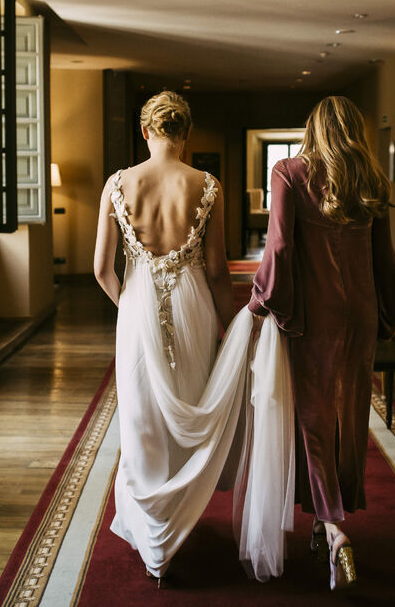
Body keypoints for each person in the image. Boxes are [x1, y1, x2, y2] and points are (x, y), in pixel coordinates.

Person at [93, 92, 294, 585]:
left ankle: (155, 545)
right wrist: (228, 330)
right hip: (194, 310)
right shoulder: (207, 186)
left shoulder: (118, 185)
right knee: (192, 409)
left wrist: (132, 312)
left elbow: (100, 269)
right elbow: (218, 271)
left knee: (142, 420)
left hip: (138, 310)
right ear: (185, 135)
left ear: (146, 132)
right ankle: (176, 522)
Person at [248, 95, 395, 591]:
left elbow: (278, 245)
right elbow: (385, 256)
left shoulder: (288, 172)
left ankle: (336, 529)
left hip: (314, 317)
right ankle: (324, 523)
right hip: (359, 315)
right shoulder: (369, 181)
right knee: (348, 415)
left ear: (314, 128)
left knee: (314, 420)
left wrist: (262, 300)